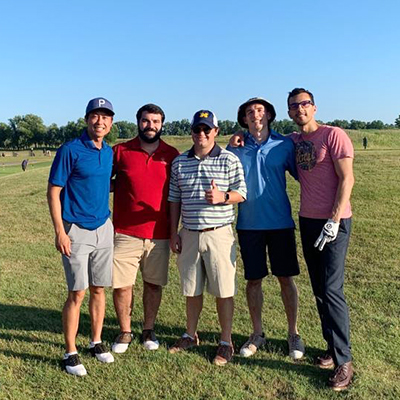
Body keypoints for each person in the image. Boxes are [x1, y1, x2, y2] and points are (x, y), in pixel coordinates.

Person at [227, 97, 305, 360]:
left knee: (286, 278)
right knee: (253, 280)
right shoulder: (236, 147)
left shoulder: (284, 144)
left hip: (280, 222)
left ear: (269, 115)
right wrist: (229, 143)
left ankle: (293, 334)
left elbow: (304, 174)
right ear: (244, 119)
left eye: (259, 110)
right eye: (249, 112)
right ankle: (257, 332)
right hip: (249, 224)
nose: (255, 115)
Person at [287, 88, 355, 391]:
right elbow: (263, 139)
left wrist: (335, 218)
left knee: (332, 288)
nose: (300, 109)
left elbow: (347, 178)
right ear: (290, 113)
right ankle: (330, 347)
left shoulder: (333, 135)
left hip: (334, 222)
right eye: (294, 106)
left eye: (304, 104)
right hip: (308, 220)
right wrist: (238, 135)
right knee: (318, 288)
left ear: (313, 107)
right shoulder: (294, 141)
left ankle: (345, 361)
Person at [168, 110, 247, 366]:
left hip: (219, 234)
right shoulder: (180, 162)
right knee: (191, 289)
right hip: (189, 233)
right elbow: (174, 199)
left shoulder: (229, 159)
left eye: (206, 129)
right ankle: (190, 334)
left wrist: (223, 196)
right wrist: (173, 233)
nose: (201, 134)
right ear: (191, 131)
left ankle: (226, 342)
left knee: (224, 290)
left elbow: (242, 193)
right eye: (197, 129)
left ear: (215, 132)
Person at [47, 97, 115, 376]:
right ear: (87, 119)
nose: (100, 122)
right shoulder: (70, 150)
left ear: (111, 123)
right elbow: (53, 192)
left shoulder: (109, 152)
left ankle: (96, 342)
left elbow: (104, 183)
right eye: (95, 116)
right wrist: (60, 231)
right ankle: (70, 352)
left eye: (105, 117)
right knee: (77, 292)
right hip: (75, 229)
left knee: (99, 288)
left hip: (103, 227)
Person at [111, 104, 179, 353]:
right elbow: (101, 180)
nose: (150, 126)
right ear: (138, 122)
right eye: (146, 121)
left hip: (159, 234)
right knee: (122, 285)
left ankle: (148, 329)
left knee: (153, 284)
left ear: (162, 124)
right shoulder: (120, 151)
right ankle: (125, 331)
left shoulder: (171, 154)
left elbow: (177, 195)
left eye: (156, 121)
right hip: (125, 232)